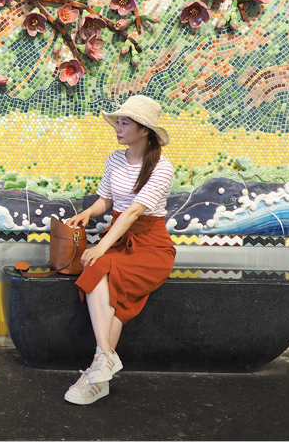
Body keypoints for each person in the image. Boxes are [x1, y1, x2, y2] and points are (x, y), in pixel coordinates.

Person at [62, 95, 175, 405]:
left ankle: (98, 370)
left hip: (151, 245)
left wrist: (101, 245)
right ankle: (103, 363)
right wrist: (89, 213)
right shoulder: (115, 158)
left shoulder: (162, 168)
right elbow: (108, 201)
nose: (118, 128)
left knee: (102, 266)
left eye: (125, 123)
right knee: (96, 269)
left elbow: (134, 214)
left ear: (144, 131)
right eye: (118, 122)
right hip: (119, 237)